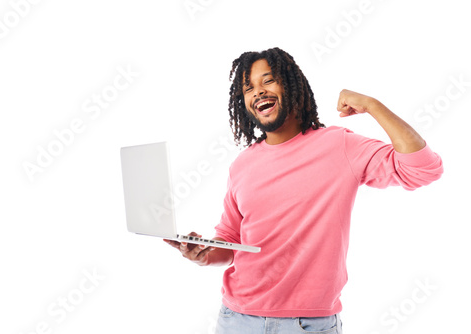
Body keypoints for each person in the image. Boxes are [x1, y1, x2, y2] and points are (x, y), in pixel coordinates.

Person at [164, 47, 443, 333]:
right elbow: (231, 239)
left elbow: (423, 169)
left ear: (291, 85)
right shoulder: (242, 164)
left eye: (268, 81)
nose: (258, 92)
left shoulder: (339, 146)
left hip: (307, 324)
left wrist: (372, 105)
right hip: (237, 319)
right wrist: (205, 253)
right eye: (249, 88)